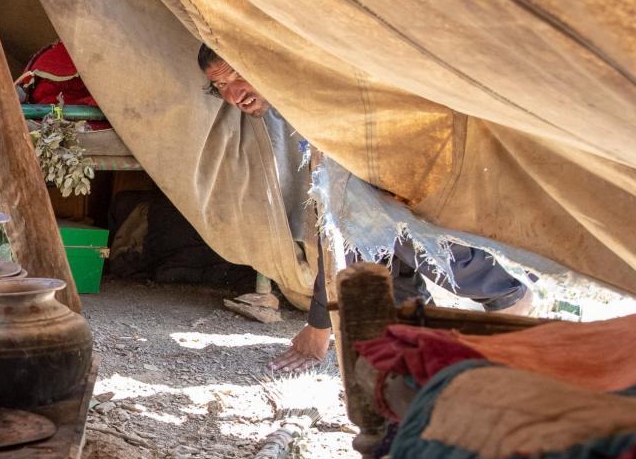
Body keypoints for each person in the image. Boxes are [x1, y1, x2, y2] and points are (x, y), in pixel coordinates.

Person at [197, 44, 532, 374]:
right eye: (221, 86)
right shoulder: (291, 105)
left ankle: (507, 297)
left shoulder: (317, 89)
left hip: (412, 162)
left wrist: (319, 326)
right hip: (385, 175)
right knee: (374, 246)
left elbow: (341, 219)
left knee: (391, 226)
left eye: (238, 75)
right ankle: (423, 333)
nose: (232, 95)